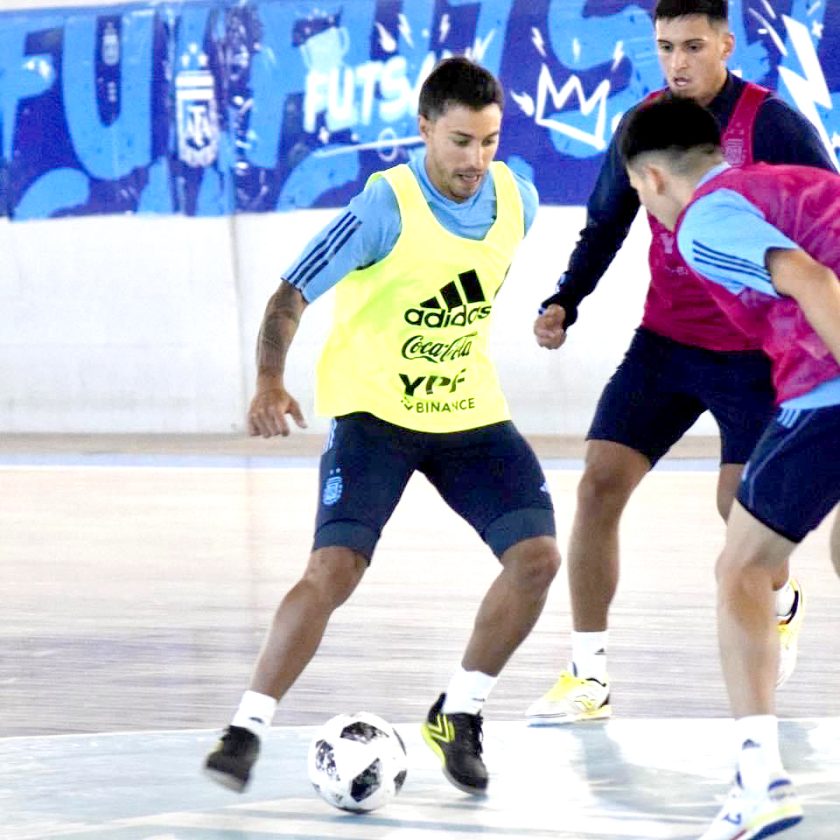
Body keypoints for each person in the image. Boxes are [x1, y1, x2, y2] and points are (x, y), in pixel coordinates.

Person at [203, 56, 560, 797]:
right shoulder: (384, 207)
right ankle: (246, 727)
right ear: (425, 129)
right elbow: (289, 296)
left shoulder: (517, 200)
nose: (476, 159)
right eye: (461, 141)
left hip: (469, 413)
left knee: (538, 559)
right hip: (375, 417)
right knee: (333, 572)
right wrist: (270, 380)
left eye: (490, 141)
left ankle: (458, 713)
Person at [527, 0, 834, 724]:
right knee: (599, 485)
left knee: (739, 512)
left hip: (756, 357)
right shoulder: (648, 131)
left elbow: (823, 221)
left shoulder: (773, 124)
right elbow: (607, 220)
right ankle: (587, 675)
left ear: (727, 44)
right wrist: (566, 300)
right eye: (665, 47)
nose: (678, 62)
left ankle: (777, 598)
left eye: (693, 46)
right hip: (665, 344)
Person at [619, 93, 840, 840]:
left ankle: (759, 778)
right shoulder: (783, 185)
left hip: (831, 390)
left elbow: (811, 281)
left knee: (743, 567)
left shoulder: (706, 222)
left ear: (650, 182)